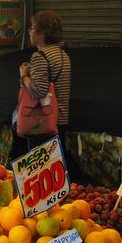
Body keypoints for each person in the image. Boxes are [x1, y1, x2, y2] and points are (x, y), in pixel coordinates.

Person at [18, 11, 71, 150]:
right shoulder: (63, 54)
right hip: (60, 122)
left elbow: (37, 92)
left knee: (40, 170)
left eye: (32, 28)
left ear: (41, 34)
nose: (30, 32)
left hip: (42, 123)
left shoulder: (40, 56)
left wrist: (24, 76)